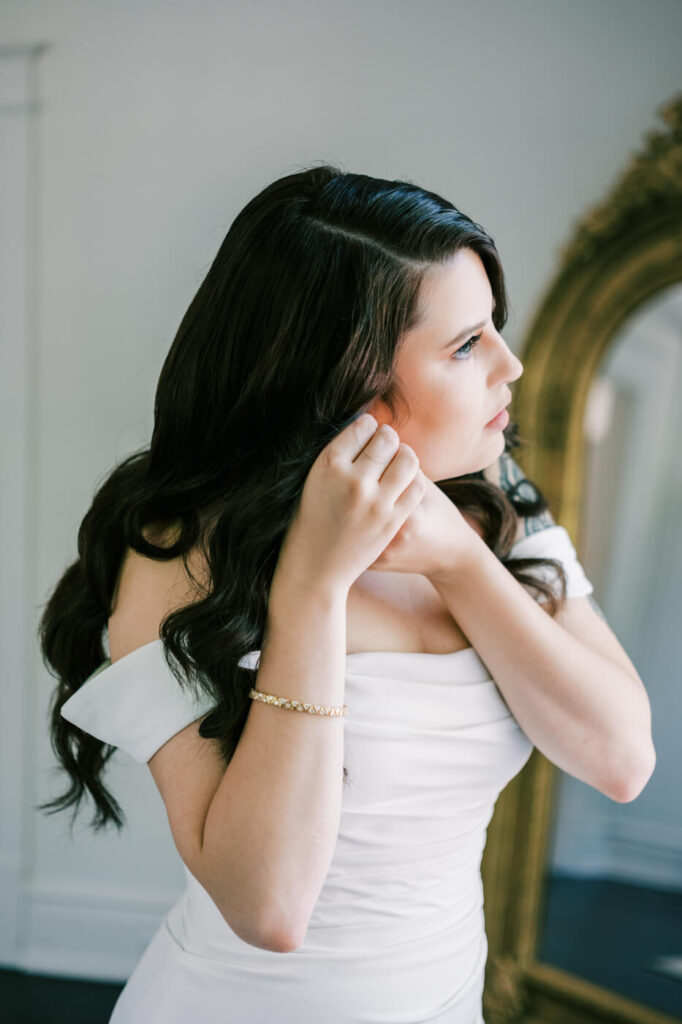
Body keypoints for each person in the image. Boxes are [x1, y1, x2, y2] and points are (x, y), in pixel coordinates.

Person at [39, 164, 653, 1023]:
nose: (510, 365)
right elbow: (269, 908)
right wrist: (313, 592)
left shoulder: (496, 497)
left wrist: (460, 563)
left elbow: (621, 760)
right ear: (344, 382)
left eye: (494, 329)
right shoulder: (185, 560)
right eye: (467, 345)